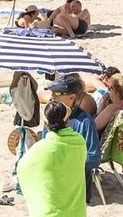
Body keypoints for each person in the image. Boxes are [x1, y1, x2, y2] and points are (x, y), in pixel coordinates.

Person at [18, 101, 88, 217]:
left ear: (46, 123)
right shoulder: (79, 142)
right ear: (68, 120)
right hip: (76, 213)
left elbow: (22, 168)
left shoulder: (41, 148)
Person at [47, 74, 102, 203]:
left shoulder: (85, 122)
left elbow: (94, 158)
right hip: (54, 189)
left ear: (71, 98)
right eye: (52, 93)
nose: (52, 97)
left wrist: (69, 164)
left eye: (57, 94)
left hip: (76, 192)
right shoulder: (50, 117)